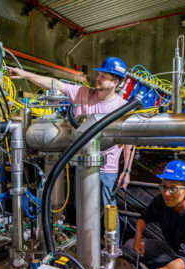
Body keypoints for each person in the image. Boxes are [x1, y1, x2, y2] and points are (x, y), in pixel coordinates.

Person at [8, 57, 135, 245]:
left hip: (106, 170)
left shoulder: (122, 107)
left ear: (114, 83)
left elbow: (129, 142)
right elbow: (56, 84)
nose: (97, 79)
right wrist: (24, 74)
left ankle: (111, 251)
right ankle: (86, 247)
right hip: (81, 165)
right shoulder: (84, 94)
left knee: (107, 209)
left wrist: (127, 170)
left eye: (103, 77)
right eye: (98, 75)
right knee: (82, 208)